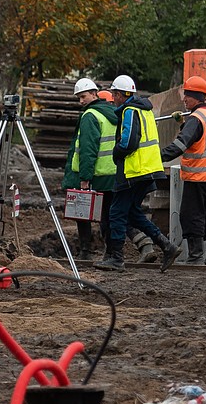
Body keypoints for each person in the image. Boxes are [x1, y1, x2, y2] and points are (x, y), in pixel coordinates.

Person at [95, 74, 180, 272]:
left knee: (116, 212)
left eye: (114, 94)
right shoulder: (145, 110)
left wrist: (117, 152)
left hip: (134, 171)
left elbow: (128, 142)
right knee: (132, 213)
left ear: (120, 94)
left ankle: (116, 258)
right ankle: (167, 246)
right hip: (149, 170)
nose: (113, 98)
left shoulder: (130, 111)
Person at [159, 76, 206, 264]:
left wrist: (157, 156)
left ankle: (195, 257)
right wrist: (182, 124)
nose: (183, 99)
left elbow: (180, 145)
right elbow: (200, 141)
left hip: (197, 177)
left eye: (186, 95)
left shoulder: (196, 119)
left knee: (191, 216)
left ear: (195, 96)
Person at [63, 78, 118, 260]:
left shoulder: (90, 116)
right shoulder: (112, 112)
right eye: (78, 98)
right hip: (112, 172)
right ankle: (111, 253)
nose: (81, 101)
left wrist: (85, 177)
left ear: (94, 94)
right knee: (109, 215)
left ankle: (85, 251)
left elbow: (88, 149)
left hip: (94, 173)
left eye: (83, 96)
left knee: (82, 211)